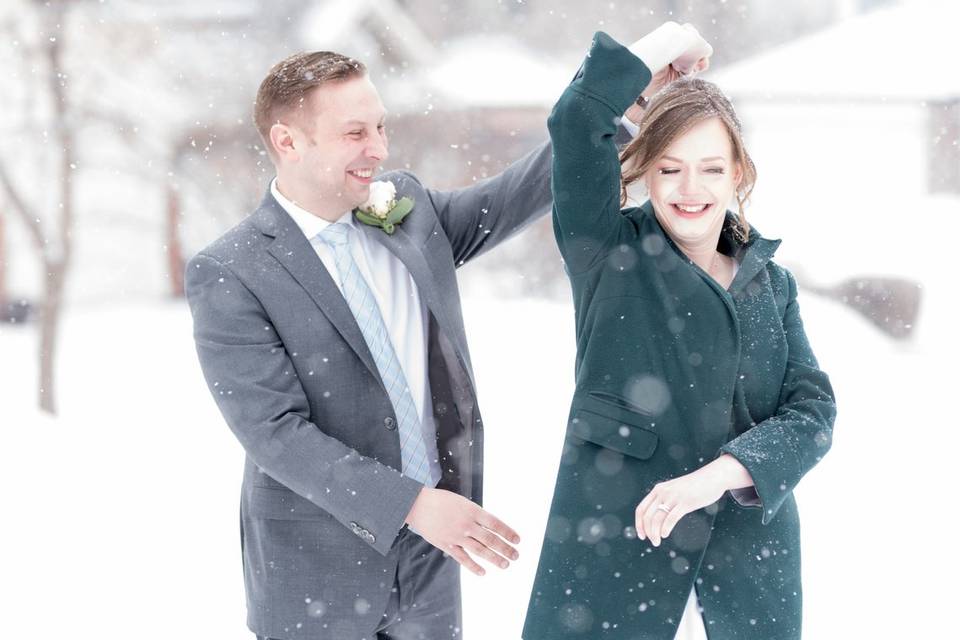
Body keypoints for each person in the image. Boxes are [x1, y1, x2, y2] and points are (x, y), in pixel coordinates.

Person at [185, 50, 638, 639]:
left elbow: (513, 197)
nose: (378, 148)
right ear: (288, 142)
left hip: (428, 563)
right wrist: (413, 505)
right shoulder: (232, 268)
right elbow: (276, 433)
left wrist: (618, 99)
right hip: (315, 572)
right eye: (355, 133)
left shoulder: (405, 208)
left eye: (380, 126)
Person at [523, 23, 837, 640]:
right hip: (615, 549)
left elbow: (812, 413)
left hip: (750, 563)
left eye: (711, 170)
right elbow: (574, 120)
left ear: (738, 175)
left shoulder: (773, 283)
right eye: (670, 170)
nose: (691, 190)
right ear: (646, 173)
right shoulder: (607, 252)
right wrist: (664, 46)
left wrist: (722, 473)